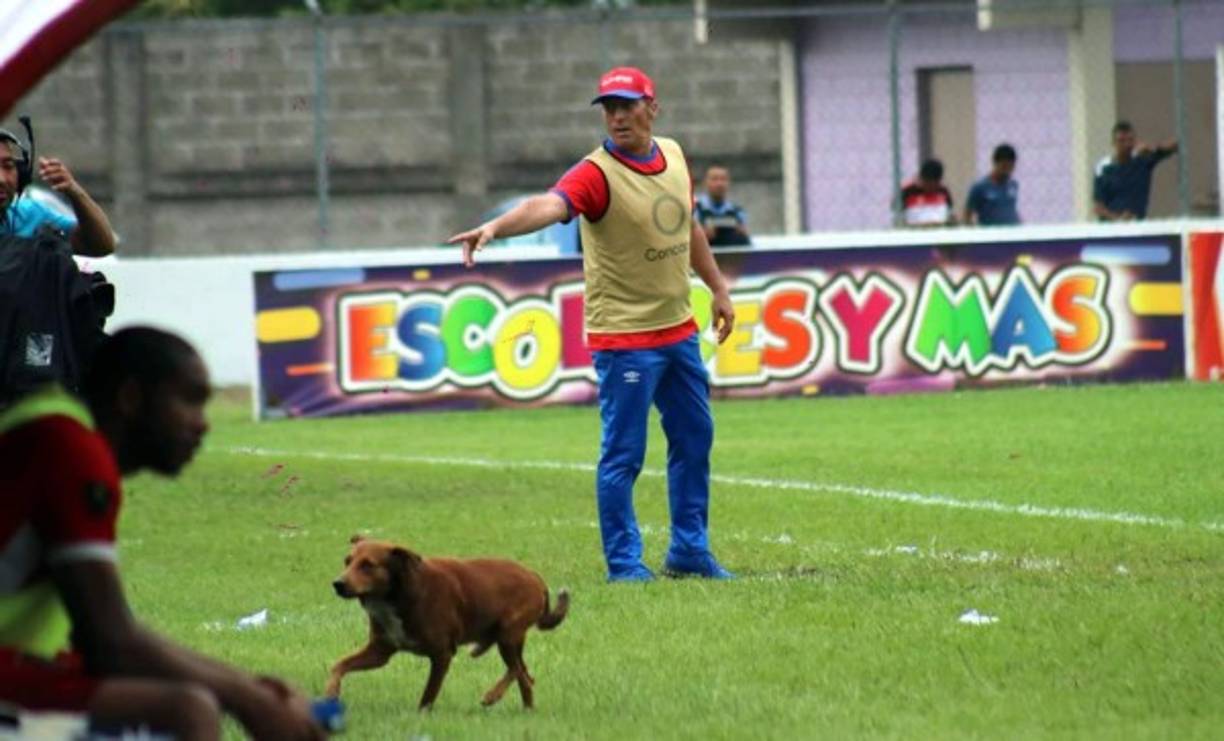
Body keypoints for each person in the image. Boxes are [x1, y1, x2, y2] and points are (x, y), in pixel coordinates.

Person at [448, 66, 737, 583]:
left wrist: (717, 287)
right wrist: (496, 227)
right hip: (625, 339)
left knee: (696, 438)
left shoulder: (673, 155)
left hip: (678, 330)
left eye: (627, 106)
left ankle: (690, 551)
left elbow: (688, 224)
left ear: (653, 107)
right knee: (624, 454)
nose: (617, 117)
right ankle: (625, 564)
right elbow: (549, 204)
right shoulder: (595, 174)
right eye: (609, 108)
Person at [0, 328, 325, 740]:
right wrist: (250, 700)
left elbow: (104, 641)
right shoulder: (71, 449)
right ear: (131, 397)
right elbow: (110, 642)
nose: (203, 424)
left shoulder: (54, 429)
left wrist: (248, 686)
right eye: (189, 400)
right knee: (186, 710)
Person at [0, 124, 115, 256]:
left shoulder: (31, 215)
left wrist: (75, 192)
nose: (1, 179)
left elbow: (101, 246)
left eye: (8, 166)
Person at [1093, 121, 1179, 222]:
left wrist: (1151, 148)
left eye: (1130, 140)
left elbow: (1175, 145)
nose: (1126, 144)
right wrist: (1118, 219)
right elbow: (1098, 207)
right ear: (1113, 143)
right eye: (1121, 141)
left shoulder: (1142, 161)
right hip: (1112, 226)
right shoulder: (1103, 168)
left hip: (1138, 224)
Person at [694, 164, 751, 247]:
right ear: (705, 182)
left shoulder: (737, 211)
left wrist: (742, 233)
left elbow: (745, 243)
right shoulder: (695, 208)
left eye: (723, 179)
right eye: (714, 179)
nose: (719, 184)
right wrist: (700, 235)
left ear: (729, 183)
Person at [963, 144, 1020, 226]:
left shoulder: (1013, 185)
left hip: (1012, 231)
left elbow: (1010, 209)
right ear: (995, 163)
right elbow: (967, 215)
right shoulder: (980, 187)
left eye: (1011, 168)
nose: (1007, 172)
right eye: (1004, 167)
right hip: (991, 232)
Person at [899, 158, 956, 227]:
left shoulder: (943, 191)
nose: (930, 188)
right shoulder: (907, 191)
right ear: (922, 178)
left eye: (935, 184)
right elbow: (898, 214)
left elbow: (950, 212)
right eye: (927, 183)